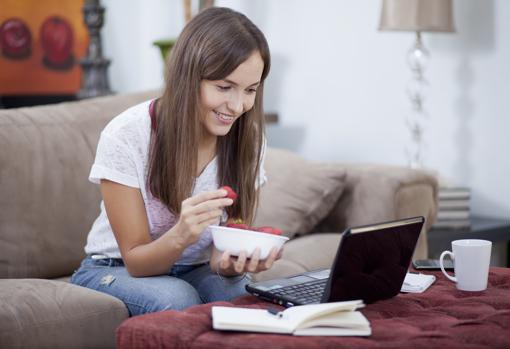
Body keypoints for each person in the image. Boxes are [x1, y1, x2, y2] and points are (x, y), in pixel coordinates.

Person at [71, 7, 280, 316]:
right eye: (224, 87)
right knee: (178, 298)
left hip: (196, 269)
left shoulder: (249, 141)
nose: (237, 106)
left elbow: (218, 260)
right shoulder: (128, 134)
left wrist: (236, 263)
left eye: (250, 90)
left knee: (246, 297)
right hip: (115, 267)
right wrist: (183, 232)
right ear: (188, 76)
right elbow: (136, 260)